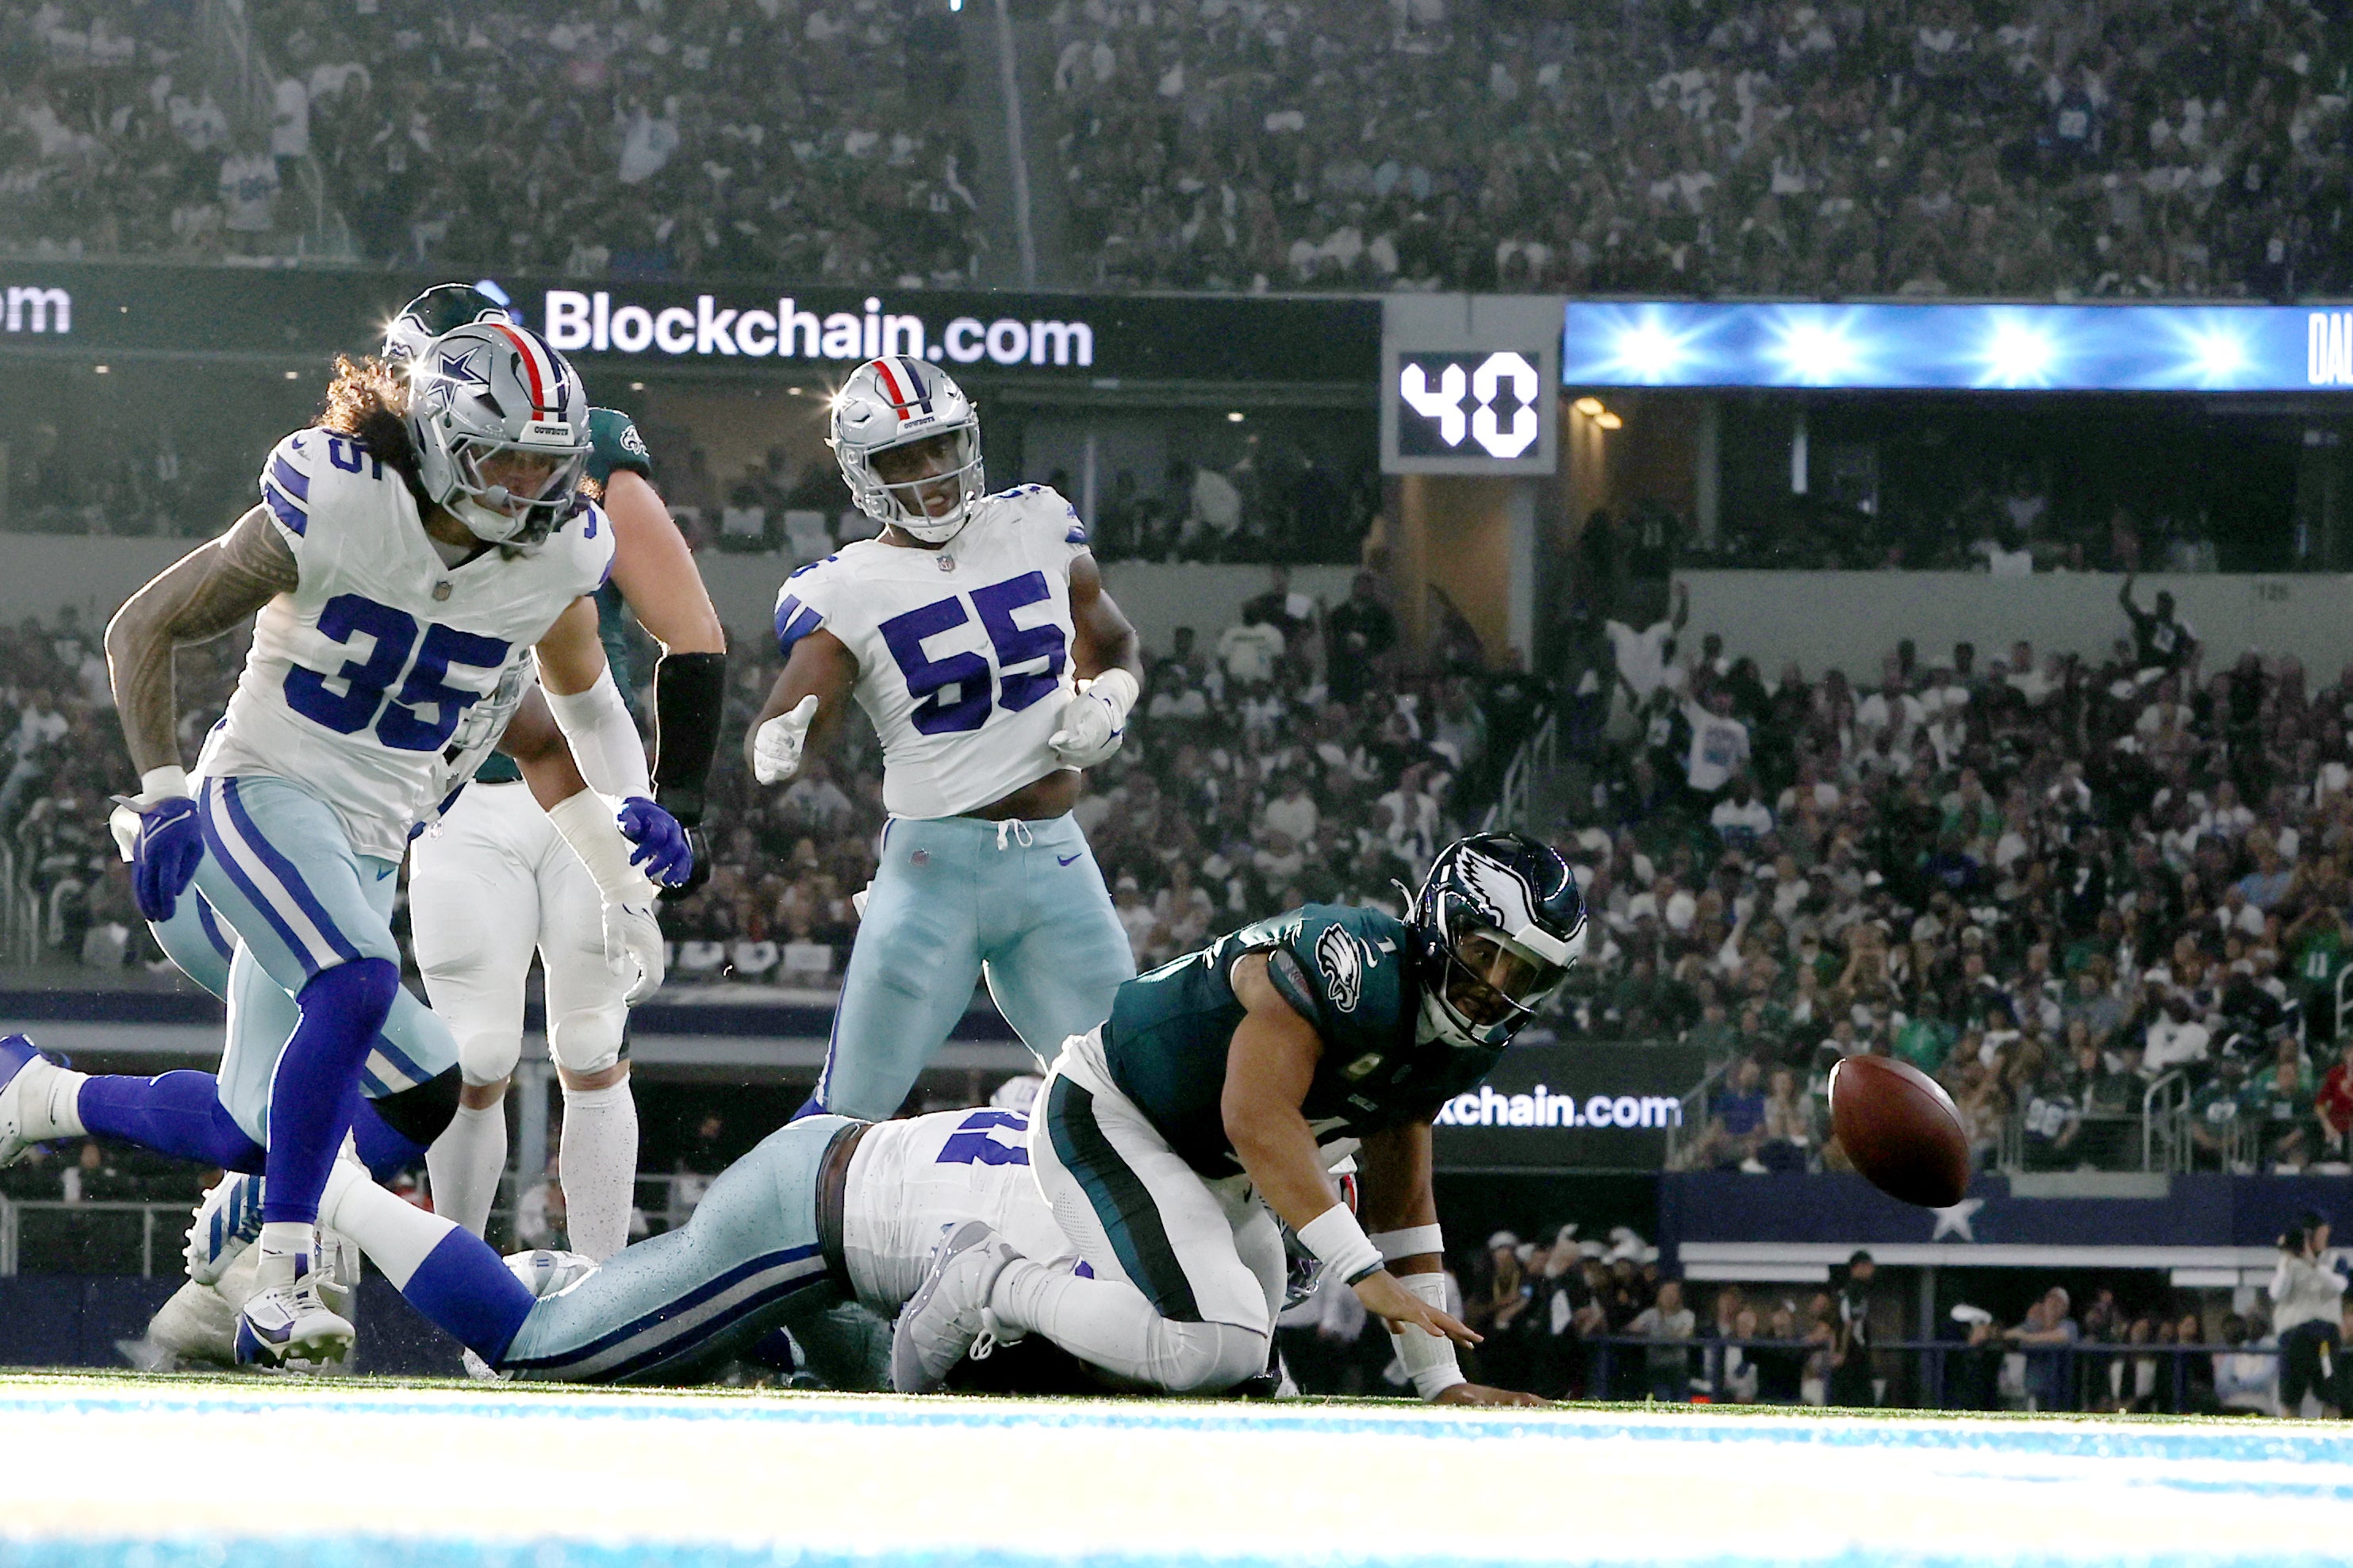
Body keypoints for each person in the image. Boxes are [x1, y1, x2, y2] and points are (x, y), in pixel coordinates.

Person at [0, 326, 688, 1369]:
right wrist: (166, 793)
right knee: (359, 984)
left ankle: (40, 1096)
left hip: (363, 850)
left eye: (549, 461)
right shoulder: (341, 499)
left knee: (367, 1105)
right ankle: (280, 1282)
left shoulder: (551, 557)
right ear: (446, 438)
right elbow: (143, 626)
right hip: (261, 795)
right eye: (507, 456)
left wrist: (634, 823)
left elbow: (570, 714)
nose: (531, 482)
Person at [888, 833, 1584, 1404]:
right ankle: (988, 1281)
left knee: (1250, 1380)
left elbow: (1402, 1196)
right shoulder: (1356, 966)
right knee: (1219, 1339)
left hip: (1215, 1170)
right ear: (1440, 920)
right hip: (1114, 1115)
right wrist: (1361, 1271)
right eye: (1484, 949)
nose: (1495, 986)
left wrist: (1442, 1383)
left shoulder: (1454, 1048)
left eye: (1523, 972)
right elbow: (1255, 1117)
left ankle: (1031, 1375)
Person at [380, 285, 729, 1262]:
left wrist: (661, 815)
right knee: (477, 1052)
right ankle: (463, 1295)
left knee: (588, 1042)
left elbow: (663, 653)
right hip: (454, 791)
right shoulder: (370, 476)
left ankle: (606, 1289)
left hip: (576, 769)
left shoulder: (584, 461)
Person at [748, 356, 1143, 1121]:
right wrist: (780, 737)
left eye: (940, 447)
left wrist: (1111, 701)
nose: (930, 472)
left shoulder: (1034, 521)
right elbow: (788, 723)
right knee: (845, 1115)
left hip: (1056, 858)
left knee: (1136, 1093)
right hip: (932, 875)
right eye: (904, 457)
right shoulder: (845, 585)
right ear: (866, 474)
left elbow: (1116, 642)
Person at [2267, 1211, 2344, 1417]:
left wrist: (2315, 1264)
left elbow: (2339, 1286)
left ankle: (2332, 1441)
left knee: (2330, 1393)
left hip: (2324, 1340)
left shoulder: (2334, 1260)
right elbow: (2277, 1293)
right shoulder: (2288, 1263)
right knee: (2290, 1396)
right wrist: (2288, 1264)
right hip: (2295, 1338)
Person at [2118, 574, 2198, 677]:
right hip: (2146, 673)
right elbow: (2124, 600)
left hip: (2166, 677)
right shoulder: (2147, 621)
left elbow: (2192, 648)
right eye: (2161, 603)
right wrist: (2130, 579)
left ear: (2172, 607)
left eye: (2166, 603)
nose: (2163, 606)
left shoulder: (2178, 630)